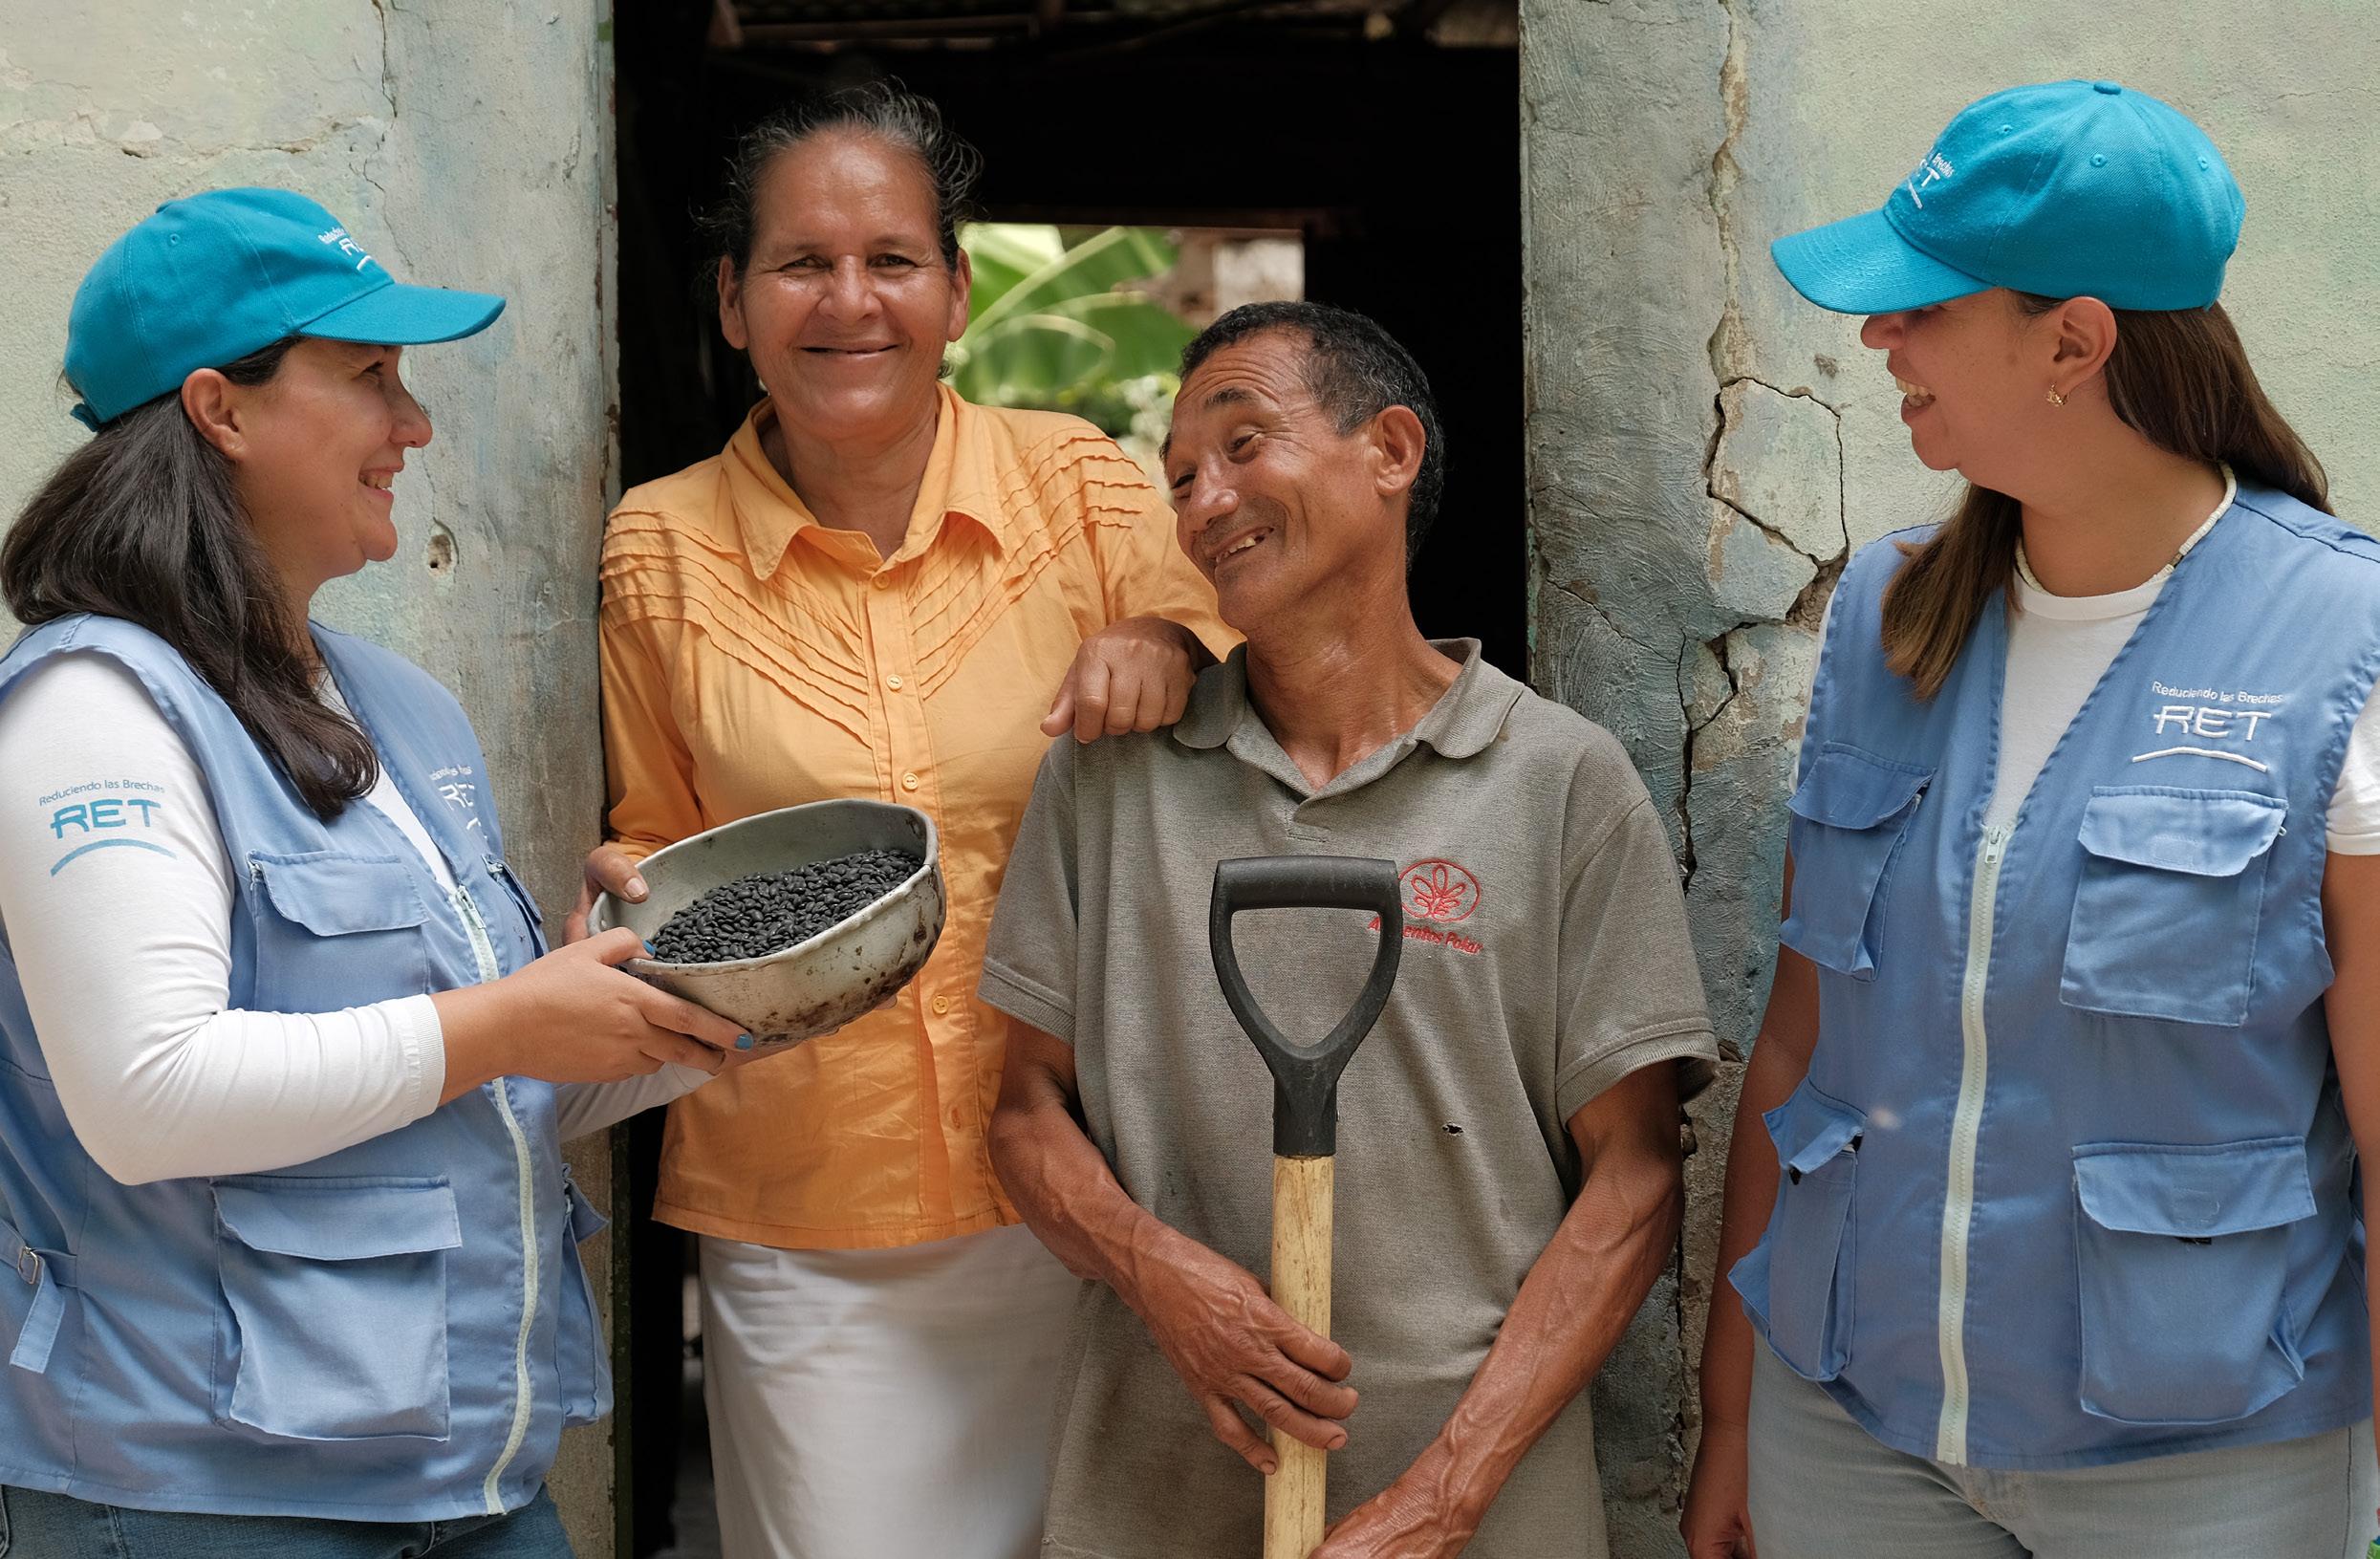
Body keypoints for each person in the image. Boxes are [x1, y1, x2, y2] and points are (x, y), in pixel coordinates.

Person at [0, 188, 760, 1556]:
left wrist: (710, 994)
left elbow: (482, 1086)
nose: (414, 425)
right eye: (369, 377)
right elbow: (148, 1095)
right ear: (220, 411)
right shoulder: (93, 709)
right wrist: (510, 1020)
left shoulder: (401, 708)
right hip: (206, 1500)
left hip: (466, 1480)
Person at [1681, 81, 2380, 1559]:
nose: (1879, 336)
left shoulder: (2341, 643)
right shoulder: (1883, 614)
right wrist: (1732, 1410)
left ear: (2072, 342)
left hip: (2201, 1467)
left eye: (1926, 304)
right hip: (1846, 1433)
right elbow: (1798, 1042)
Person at [576, 84, 1231, 1558]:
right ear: (732, 304)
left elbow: (1250, 680)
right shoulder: (660, 543)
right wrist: (633, 895)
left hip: (1097, 1185)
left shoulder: (1077, 483)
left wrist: (1171, 645)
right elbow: (657, 834)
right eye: (800, 264)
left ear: (956, 292)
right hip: (809, 1213)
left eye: (891, 260)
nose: (849, 301)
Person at [980, 300, 1720, 1558]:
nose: (1204, 501)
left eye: (1242, 444)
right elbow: (1023, 1115)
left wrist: (1441, 1502)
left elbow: (1636, 1179)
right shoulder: (1108, 779)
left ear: (1389, 450)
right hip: (1160, 1493)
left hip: (1480, 1505)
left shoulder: (1557, 780)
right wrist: (1158, 1273)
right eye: (1180, 478)